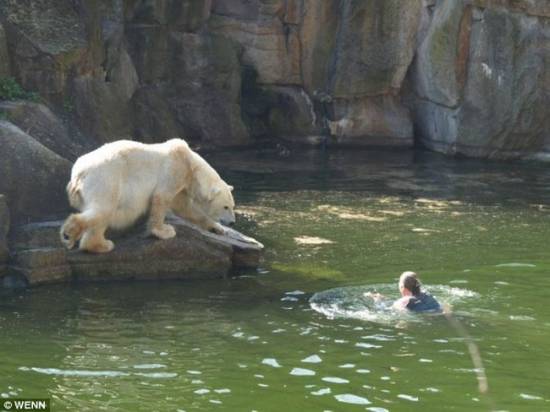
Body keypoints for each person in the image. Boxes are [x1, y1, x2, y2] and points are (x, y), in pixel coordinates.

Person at [365, 271, 441, 313]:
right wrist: (385, 299)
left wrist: (378, 301)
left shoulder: (403, 301)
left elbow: (385, 311)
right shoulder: (427, 294)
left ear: (402, 287)